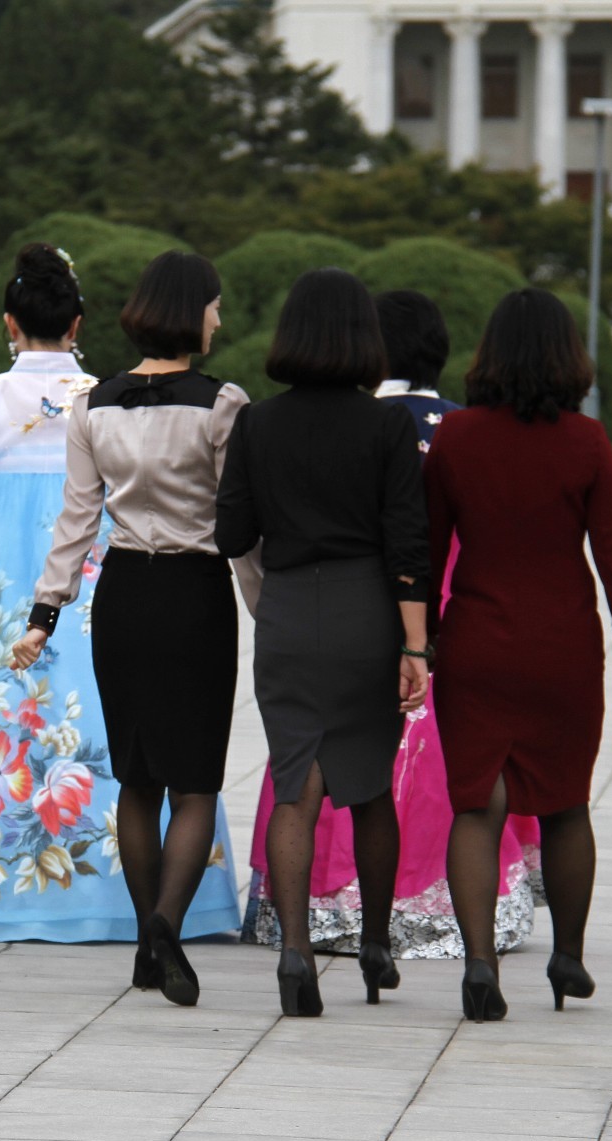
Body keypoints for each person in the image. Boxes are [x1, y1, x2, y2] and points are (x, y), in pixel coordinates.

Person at [0, 244, 242, 946]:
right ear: (77, 324)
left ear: (11, 324)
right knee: (131, 735)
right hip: (115, 566)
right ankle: (138, 898)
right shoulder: (107, 394)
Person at [238, 289, 540, 960]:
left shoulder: (306, 419)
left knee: (303, 776)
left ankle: (307, 922)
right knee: (400, 778)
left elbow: (239, 529)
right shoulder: (462, 428)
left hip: (304, 613)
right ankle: (410, 922)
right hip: (425, 623)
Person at [11, 251, 246, 1008]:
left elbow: (77, 523)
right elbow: (239, 530)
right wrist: (270, 612)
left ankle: (150, 933)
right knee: (196, 779)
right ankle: (167, 930)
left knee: (138, 777)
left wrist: (43, 616)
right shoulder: (222, 405)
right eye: (213, 305)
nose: (219, 317)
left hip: (123, 596)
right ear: (191, 311)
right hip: (196, 593)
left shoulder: (95, 404)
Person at [425, 288, 612, 1022]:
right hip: (562, 644)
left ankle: (479, 964)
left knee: (477, 801)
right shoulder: (587, 443)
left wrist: (417, 640)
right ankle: (568, 956)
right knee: (564, 801)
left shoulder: (457, 438)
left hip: (476, 640)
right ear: (570, 357)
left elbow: (427, 547)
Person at [216, 269, 431, 1018]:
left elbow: (232, 533)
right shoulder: (386, 427)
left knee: (294, 783)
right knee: (370, 786)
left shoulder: (258, 423)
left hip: (286, 610)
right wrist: (416, 649)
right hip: (366, 606)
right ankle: (375, 945)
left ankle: (295, 950)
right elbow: (410, 541)